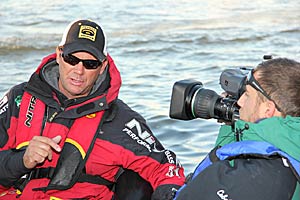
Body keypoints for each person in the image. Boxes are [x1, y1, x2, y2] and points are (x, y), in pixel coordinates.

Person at [0, 19, 185, 200]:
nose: (79, 71)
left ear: (103, 66)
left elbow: (166, 167)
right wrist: (22, 160)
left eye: (90, 64)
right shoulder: (17, 100)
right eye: (72, 59)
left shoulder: (121, 120)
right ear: (59, 55)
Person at [174, 58, 300, 200]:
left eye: (247, 95)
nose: (239, 102)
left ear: (268, 110)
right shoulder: (291, 149)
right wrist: (236, 128)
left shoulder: (252, 177)